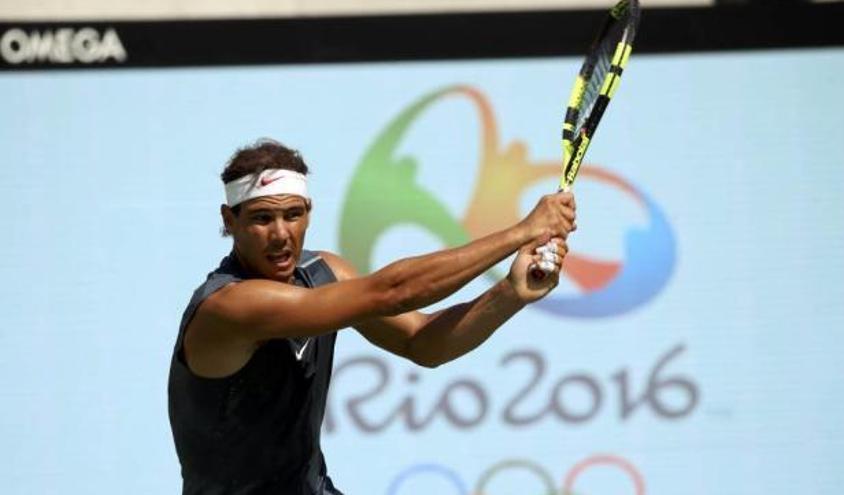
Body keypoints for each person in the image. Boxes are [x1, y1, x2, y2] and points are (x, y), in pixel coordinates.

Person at [167, 139, 576, 494]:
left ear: (308, 211)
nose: (280, 234)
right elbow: (392, 291)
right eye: (261, 218)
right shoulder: (229, 308)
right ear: (229, 220)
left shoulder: (324, 274)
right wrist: (521, 232)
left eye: (293, 214)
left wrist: (510, 292)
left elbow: (423, 341)